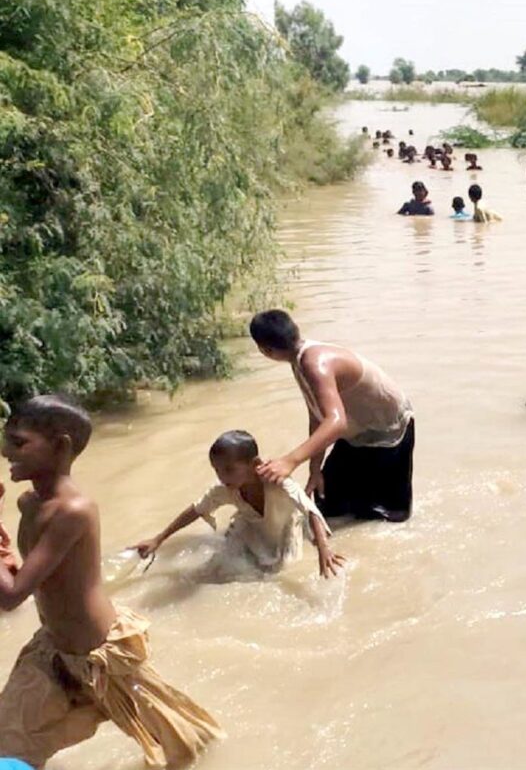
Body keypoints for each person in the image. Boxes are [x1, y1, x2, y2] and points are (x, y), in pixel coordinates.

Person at [0, 396, 224, 768]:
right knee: (8, 740)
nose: (7, 452)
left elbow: (12, 597)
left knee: (184, 746)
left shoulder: (73, 511)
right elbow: (24, 579)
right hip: (52, 648)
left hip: (101, 657)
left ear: (61, 446)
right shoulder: (29, 503)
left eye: (19, 443)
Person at [249, 310, 416, 522]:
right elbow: (317, 416)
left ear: (265, 350)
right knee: (328, 504)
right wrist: (314, 468)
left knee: (387, 516)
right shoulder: (301, 360)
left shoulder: (314, 363)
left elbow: (336, 422)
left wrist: (290, 460)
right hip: (360, 433)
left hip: (391, 431)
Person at [132, 431, 343, 578]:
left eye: (229, 469)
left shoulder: (277, 482)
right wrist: (158, 539)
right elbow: (196, 510)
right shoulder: (226, 488)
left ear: (255, 465)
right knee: (224, 569)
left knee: (283, 569)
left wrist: (324, 549)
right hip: (249, 528)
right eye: (217, 470)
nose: (222, 476)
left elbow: (310, 510)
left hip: (286, 528)